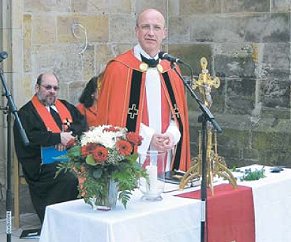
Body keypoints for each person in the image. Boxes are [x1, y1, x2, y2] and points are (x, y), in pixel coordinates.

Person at [95, 8, 191, 171]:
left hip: (167, 158)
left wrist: (171, 135)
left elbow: (178, 116)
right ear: (136, 31)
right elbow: (113, 118)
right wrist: (149, 137)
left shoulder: (172, 68)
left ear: (164, 33)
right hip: (132, 161)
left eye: (156, 27)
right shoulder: (118, 68)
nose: (151, 33)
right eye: (146, 27)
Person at [13, 72, 87, 223]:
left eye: (55, 88)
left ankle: (83, 218)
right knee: (69, 178)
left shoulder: (65, 106)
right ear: (37, 88)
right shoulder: (26, 113)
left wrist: (67, 136)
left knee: (95, 169)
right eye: (47, 87)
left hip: (69, 158)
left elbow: (81, 124)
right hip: (44, 165)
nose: (52, 91)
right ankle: (60, 220)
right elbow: (29, 138)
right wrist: (57, 138)